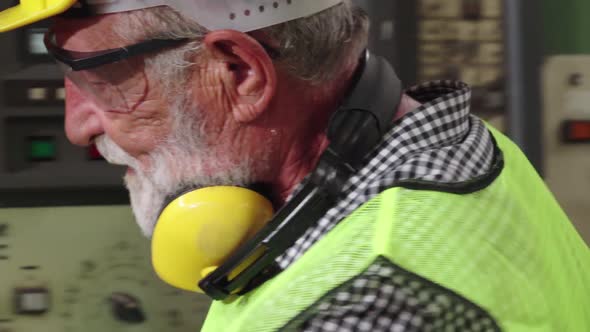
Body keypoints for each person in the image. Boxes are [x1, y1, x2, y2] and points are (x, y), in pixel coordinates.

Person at [2, 1, 588, 331]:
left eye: (99, 79)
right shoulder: (452, 143)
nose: (78, 124)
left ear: (239, 72)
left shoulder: (364, 310)